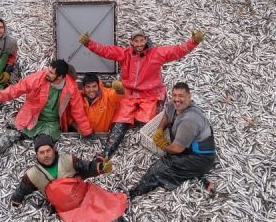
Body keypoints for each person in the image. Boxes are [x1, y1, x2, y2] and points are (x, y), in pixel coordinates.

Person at [11, 134, 152, 222]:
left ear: (54, 150)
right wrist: (15, 200)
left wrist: (99, 167)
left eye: (48, 151)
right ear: (37, 155)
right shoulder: (32, 175)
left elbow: (86, 168)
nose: (46, 155)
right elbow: (22, 190)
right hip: (69, 211)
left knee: (110, 217)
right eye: (41, 152)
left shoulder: (67, 160)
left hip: (87, 196)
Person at [78, 28, 205, 159]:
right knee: (120, 120)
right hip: (129, 94)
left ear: (146, 40)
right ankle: (106, 154)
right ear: (131, 42)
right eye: (136, 41)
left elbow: (177, 51)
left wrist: (193, 42)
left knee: (149, 124)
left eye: (141, 40)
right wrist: (88, 43)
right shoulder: (124, 54)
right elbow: (105, 51)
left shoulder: (156, 54)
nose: (139, 44)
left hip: (150, 95)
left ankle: (166, 151)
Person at [0, 59, 93, 169]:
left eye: (51, 73)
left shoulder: (71, 87)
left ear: (60, 77)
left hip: (50, 124)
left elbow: (78, 111)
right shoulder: (39, 78)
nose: (47, 73)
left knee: (44, 145)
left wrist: (86, 131)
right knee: (10, 136)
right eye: (48, 70)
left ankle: (46, 172)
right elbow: (17, 88)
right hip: (30, 116)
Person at [128, 82, 216, 198]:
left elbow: (177, 149)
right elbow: (166, 115)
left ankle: (133, 194)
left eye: (181, 96)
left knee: (159, 168)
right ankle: (198, 177)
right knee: (173, 159)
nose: (177, 99)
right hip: (189, 148)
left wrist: (163, 145)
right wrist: (160, 129)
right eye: (174, 95)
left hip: (201, 159)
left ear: (189, 97)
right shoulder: (173, 105)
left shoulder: (189, 120)